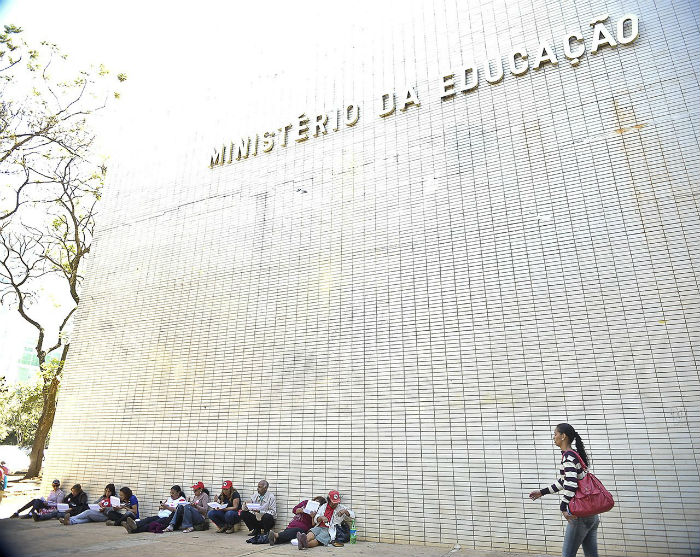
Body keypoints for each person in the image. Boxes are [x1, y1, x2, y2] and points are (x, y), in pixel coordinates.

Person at [529, 423, 599, 557]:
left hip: (579, 515)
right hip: (592, 515)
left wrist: (563, 507)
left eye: (555, 434)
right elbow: (564, 481)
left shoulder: (568, 457)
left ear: (563, 436)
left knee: (567, 554)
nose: (553, 437)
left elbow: (571, 484)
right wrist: (542, 492)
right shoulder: (574, 455)